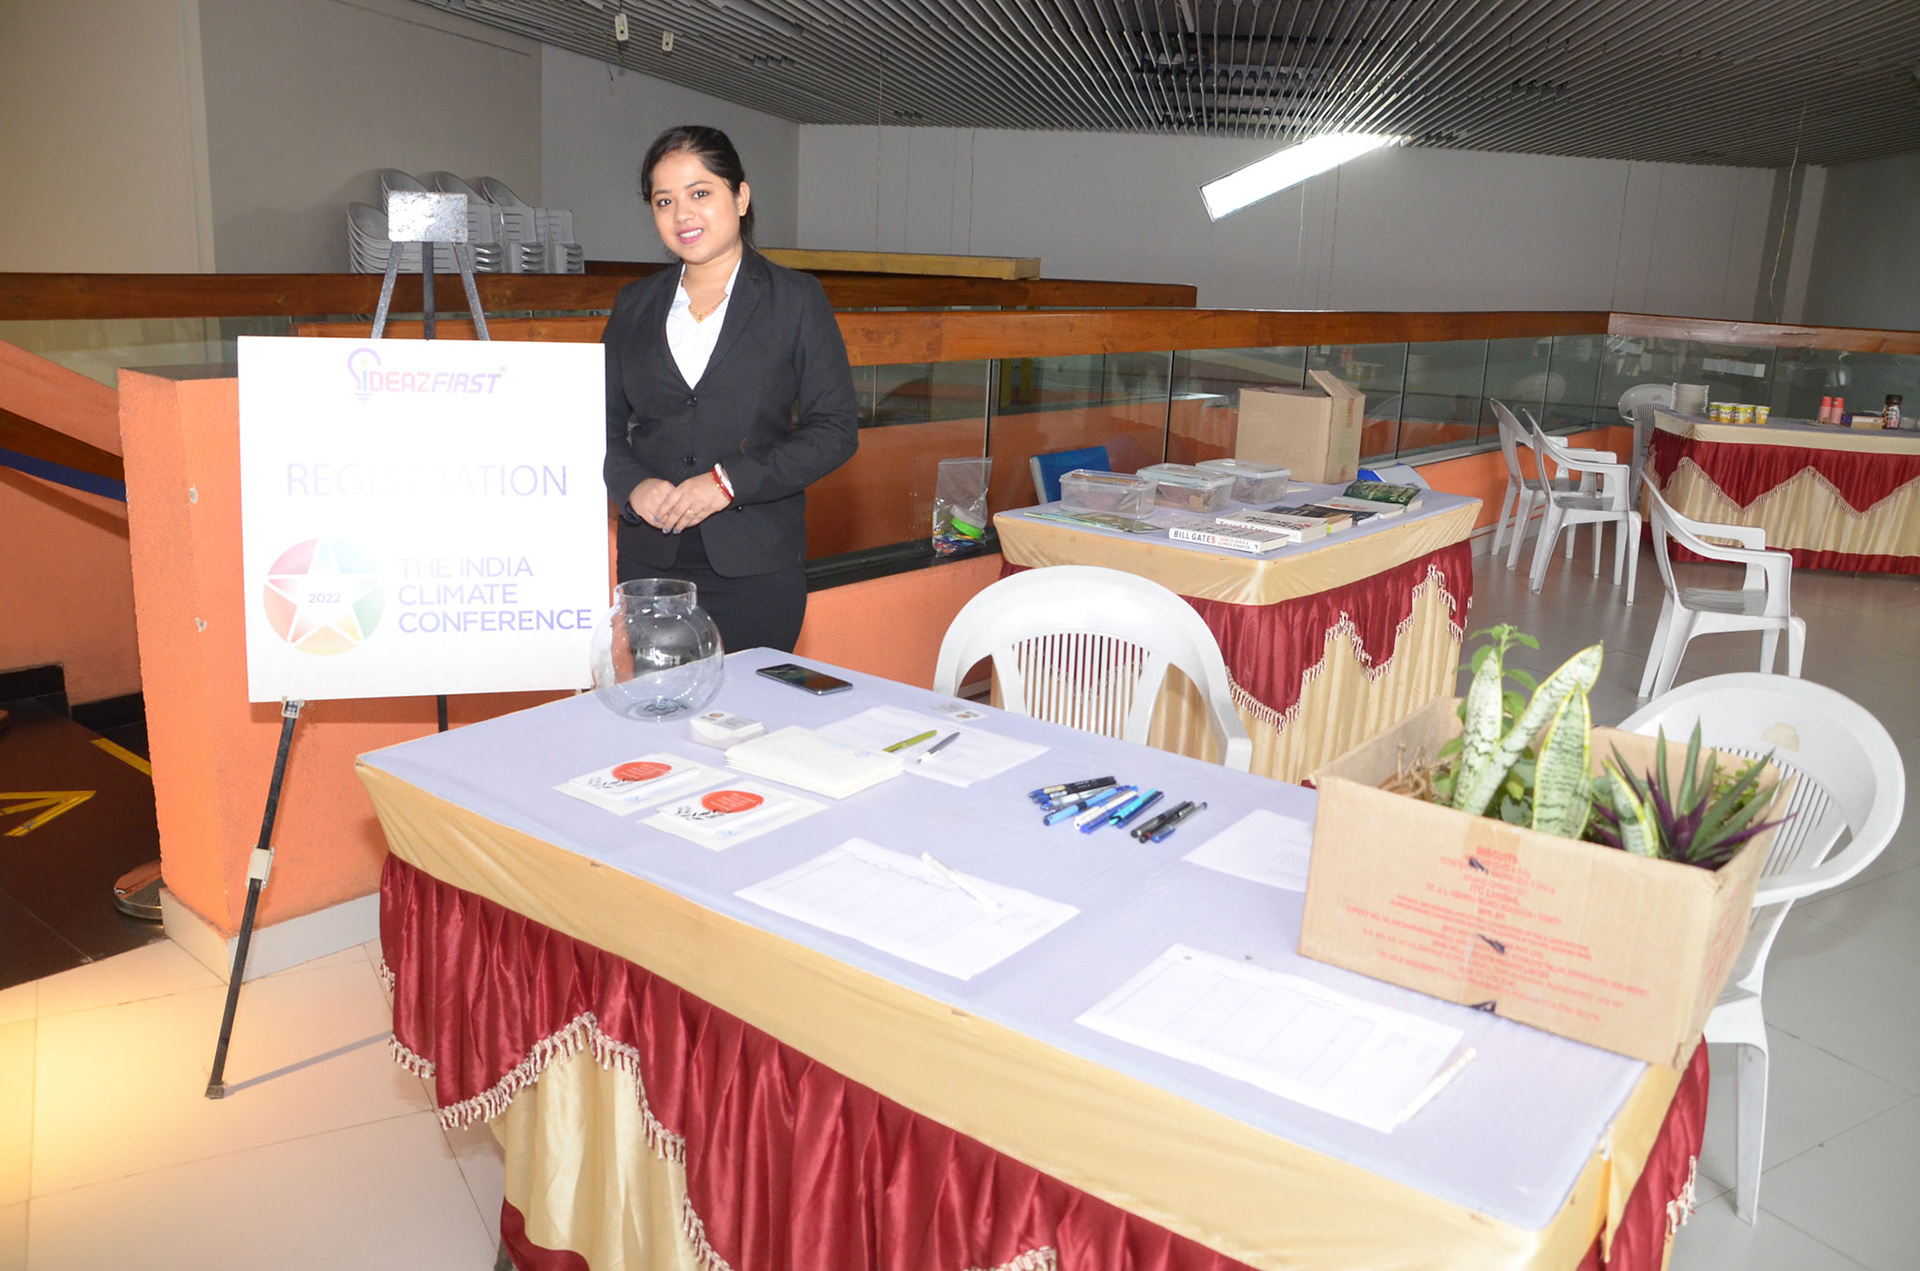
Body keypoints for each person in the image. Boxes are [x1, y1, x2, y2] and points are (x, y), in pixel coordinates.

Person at [602, 125, 858, 653]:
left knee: (750, 726)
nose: (682, 215)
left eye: (701, 194)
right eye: (664, 201)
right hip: (654, 562)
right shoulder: (634, 305)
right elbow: (596, 423)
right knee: (659, 719)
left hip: (756, 564)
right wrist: (632, 486)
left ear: (740, 197)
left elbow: (835, 430)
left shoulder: (796, 299)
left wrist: (724, 484)